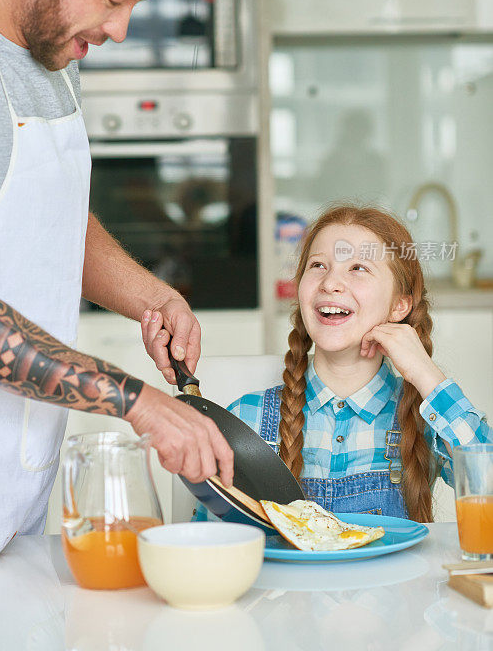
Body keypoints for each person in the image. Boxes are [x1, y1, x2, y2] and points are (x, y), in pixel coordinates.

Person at [0, 0, 233, 613]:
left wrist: (147, 294)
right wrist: (140, 402)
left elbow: (43, 213)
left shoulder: (54, 54)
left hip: (15, 492)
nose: (119, 28)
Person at [198, 203, 493, 523]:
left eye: (358, 268)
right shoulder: (245, 420)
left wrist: (426, 374)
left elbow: (486, 480)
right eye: (318, 265)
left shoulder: (426, 420)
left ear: (399, 305)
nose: (330, 283)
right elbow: (208, 546)